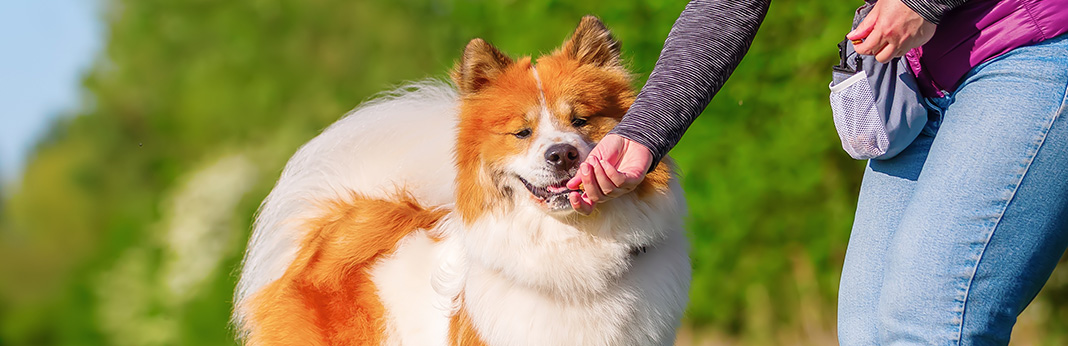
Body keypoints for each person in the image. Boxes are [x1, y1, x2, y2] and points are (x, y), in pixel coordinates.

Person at [567, 0, 1068, 344]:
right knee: (866, 329)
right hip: (919, 80)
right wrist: (642, 135)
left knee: (932, 323)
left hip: (1034, 45)